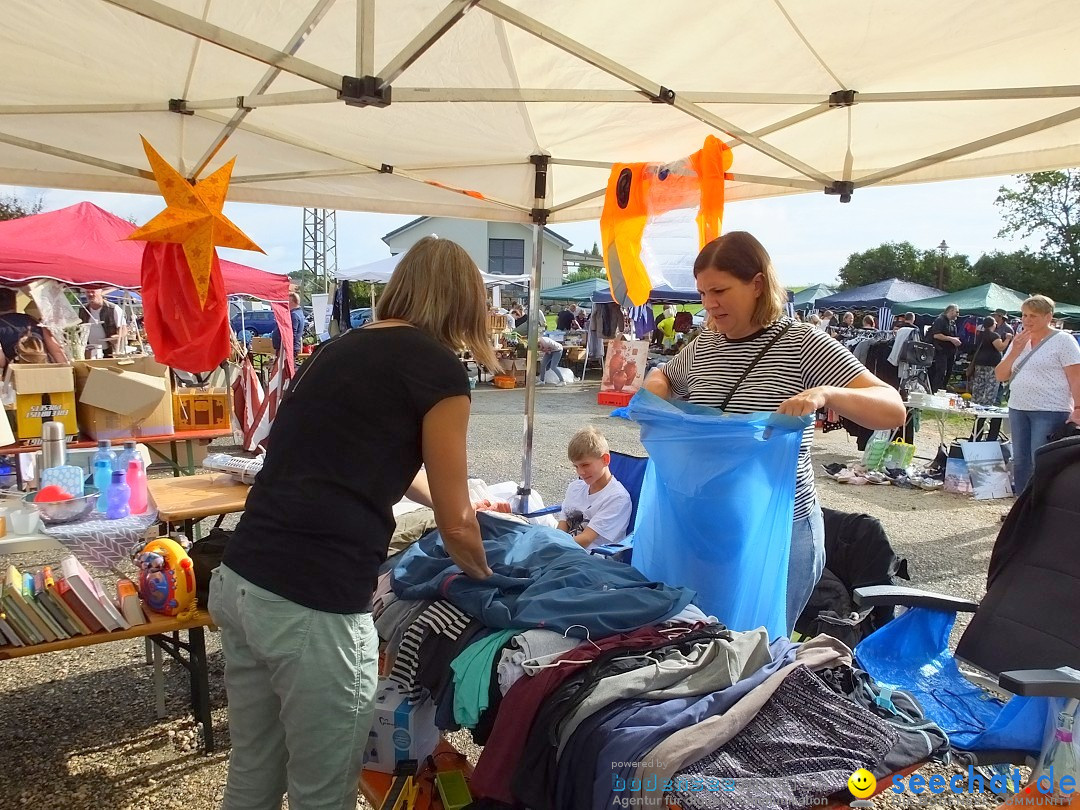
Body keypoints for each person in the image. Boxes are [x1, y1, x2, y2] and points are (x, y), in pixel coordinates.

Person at [208, 236, 495, 810]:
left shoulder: (340, 347)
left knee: (255, 768)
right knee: (325, 790)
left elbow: (369, 461)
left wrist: (458, 509)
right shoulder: (437, 369)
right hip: (313, 600)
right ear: (465, 302)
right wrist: (495, 577)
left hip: (243, 578)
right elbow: (456, 521)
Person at [643, 232, 905, 632]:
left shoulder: (802, 343)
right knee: (704, 642)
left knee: (757, 648)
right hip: (710, 526)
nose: (709, 303)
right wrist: (656, 390)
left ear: (757, 284)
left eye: (720, 290)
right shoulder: (706, 344)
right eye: (702, 293)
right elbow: (664, 375)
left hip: (777, 533)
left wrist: (825, 393)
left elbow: (892, 409)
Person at [995, 294, 1080, 494]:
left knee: (1040, 460)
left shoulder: (1063, 341)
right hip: (1018, 407)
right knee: (1021, 460)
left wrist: (1078, 408)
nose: (1027, 320)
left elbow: (1076, 377)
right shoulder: (1020, 340)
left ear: (1048, 316)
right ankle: (1021, 507)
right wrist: (1014, 350)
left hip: (1049, 409)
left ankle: (1041, 508)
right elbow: (1000, 375)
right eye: (1024, 315)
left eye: (1033, 316)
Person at [557, 426, 632, 550]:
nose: (580, 472)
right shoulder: (575, 488)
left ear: (605, 459)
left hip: (593, 560)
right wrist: (551, 541)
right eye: (576, 466)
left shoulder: (617, 498)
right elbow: (562, 527)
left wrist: (553, 544)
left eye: (585, 465)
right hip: (567, 551)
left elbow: (586, 539)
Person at [0, 288, 65, 365]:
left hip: (16, 372)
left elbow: (1, 360)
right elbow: (57, 351)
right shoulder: (34, 321)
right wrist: (67, 371)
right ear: (14, 303)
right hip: (41, 369)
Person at [971, 316, 1008, 406]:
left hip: (980, 362)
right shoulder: (994, 335)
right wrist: (1008, 339)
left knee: (979, 385)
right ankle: (987, 405)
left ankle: (975, 403)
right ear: (992, 324)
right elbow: (1000, 347)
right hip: (992, 364)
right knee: (990, 386)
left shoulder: (980, 335)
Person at [80, 288, 127, 358]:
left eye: (93, 291)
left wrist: (117, 337)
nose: (90, 294)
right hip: (89, 351)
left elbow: (123, 329)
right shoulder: (83, 310)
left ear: (101, 292)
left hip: (109, 351)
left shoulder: (113, 309)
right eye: (87, 292)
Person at [929, 304, 962, 392]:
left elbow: (952, 335)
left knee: (949, 372)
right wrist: (951, 339)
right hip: (941, 350)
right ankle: (935, 390)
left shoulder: (953, 322)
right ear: (951, 311)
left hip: (951, 351)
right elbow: (936, 335)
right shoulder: (940, 320)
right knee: (941, 372)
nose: (958, 315)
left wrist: (956, 340)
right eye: (957, 312)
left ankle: (942, 390)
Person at [271, 291, 306, 360]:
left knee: (284, 368)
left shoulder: (294, 315)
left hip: (287, 348)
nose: (286, 303)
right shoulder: (299, 313)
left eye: (287, 301)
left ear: (292, 302)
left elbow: (291, 333)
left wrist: (285, 347)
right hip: (289, 347)